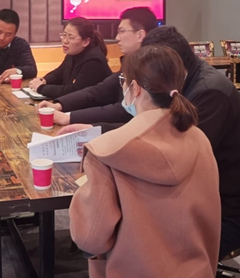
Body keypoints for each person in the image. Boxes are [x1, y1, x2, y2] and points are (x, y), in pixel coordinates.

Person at [61, 25, 240, 260]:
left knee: (106, 230)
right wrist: (99, 132)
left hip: (220, 213)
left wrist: (105, 148)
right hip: (193, 201)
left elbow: (168, 153)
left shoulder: (209, 93)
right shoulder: (182, 85)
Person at [69, 45, 220, 277]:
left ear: (135, 88)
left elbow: (90, 239)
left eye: (123, 81)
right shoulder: (199, 139)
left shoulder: (106, 151)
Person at [37, 7, 157, 125]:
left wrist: (69, 117)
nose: (117, 38)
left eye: (122, 31)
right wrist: (60, 105)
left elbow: (124, 111)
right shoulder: (131, 62)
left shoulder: (152, 67)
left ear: (140, 35)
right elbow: (99, 90)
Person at [27, 17, 111, 98]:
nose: (65, 41)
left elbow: (75, 92)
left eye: (71, 37)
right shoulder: (73, 53)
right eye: (64, 35)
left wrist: (41, 88)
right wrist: (44, 80)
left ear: (85, 42)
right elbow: (57, 75)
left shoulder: (94, 61)